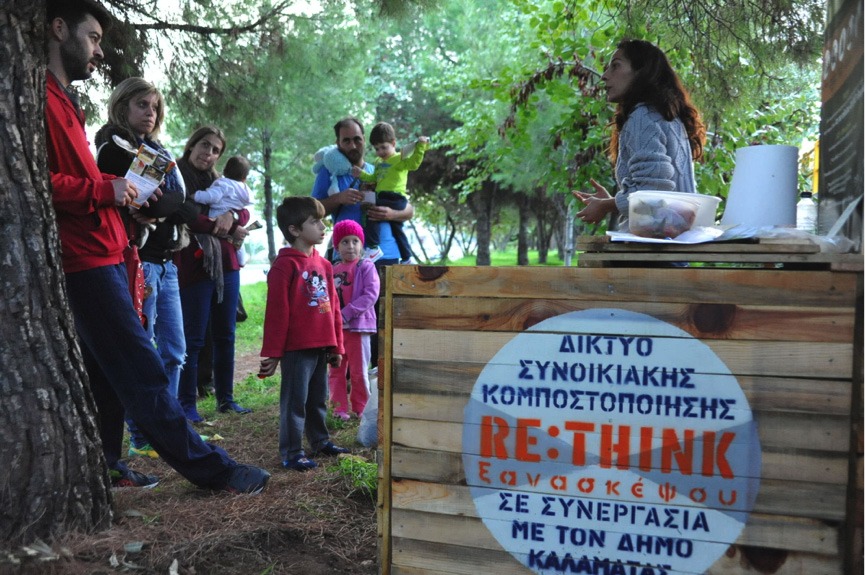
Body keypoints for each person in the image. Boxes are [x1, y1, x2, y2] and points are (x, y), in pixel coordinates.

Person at [45, 0, 269, 493]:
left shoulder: (65, 100)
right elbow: (34, 182)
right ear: (59, 29)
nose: (100, 52)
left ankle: (109, 465)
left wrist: (113, 197)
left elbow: (170, 201)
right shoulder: (39, 97)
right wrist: (104, 190)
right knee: (143, 368)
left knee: (106, 372)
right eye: (93, 38)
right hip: (85, 257)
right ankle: (214, 472)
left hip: (112, 252)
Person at [94, 77, 195, 459]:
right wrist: (164, 203)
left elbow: (181, 202)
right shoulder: (112, 147)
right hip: (139, 261)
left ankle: (168, 428)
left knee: (175, 352)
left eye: (154, 107)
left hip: (167, 263)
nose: (150, 113)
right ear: (122, 106)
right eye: (142, 105)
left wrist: (163, 204)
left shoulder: (157, 150)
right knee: (144, 351)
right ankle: (142, 434)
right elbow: (147, 202)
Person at [312, 117, 415, 367]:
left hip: (386, 254)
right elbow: (313, 209)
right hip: (346, 257)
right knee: (347, 316)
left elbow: (408, 208)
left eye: (357, 139)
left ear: (364, 140)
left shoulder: (379, 167)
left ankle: (380, 377)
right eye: (346, 140)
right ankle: (347, 377)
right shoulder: (330, 174)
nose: (352, 145)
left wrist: (391, 214)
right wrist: (339, 198)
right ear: (338, 143)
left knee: (384, 319)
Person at [572, 39, 705, 231]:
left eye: (615, 66)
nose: (604, 76)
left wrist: (606, 205)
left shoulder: (643, 117)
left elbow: (652, 194)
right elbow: (656, 192)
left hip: (657, 245)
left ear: (641, 72)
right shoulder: (665, 117)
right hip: (676, 242)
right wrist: (613, 202)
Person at [258, 197, 351, 471]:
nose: (323, 227)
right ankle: (292, 452)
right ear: (295, 230)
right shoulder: (284, 266)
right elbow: (276, 313)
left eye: (322, 221)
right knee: (294, 402)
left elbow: (334, 308)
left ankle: (320, 442)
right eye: (315, 222)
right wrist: (273, 353)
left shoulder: (324, 264)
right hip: (296, 348)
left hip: (322, 346)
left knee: (317, 399)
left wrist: (337, 346)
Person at [174, 127, 252, 420]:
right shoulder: (176, 176)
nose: (208, 153)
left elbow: (244, 209)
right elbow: (185, 213)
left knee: (225, 334)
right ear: (191, 145)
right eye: (204, 145)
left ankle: (226, 399)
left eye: (215, 150)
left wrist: (232, 215)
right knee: (193, 338)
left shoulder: (222, 181)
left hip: (227, 263)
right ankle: (186, 404)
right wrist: (220, 224)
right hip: (193, 263)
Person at [351, 122, 428, 263]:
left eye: (384, 147)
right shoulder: (378, 161)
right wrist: (360, 174)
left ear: (393, 144)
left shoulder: (399, 158)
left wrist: (421, 147)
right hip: (384, 196)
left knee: (370, 211)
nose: (381, 151)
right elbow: (374, 178)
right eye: (377, 148)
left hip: (395, 197)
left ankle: (373, 247)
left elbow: (414, 164)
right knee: (397, 229)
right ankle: (407, 257)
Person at [327, 220, 379, 419]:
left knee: (358, 371)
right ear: (336, 246)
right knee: (336, 370)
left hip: (358, 328)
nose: (350, 246)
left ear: (361, 244)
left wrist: (346, 313)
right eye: (345, 242)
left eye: (355, 241)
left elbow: (371, 294)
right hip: (337, 331)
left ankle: (361, 408)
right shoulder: (332, 269)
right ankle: (338, 409)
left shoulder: (365, 266)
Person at [193, 155, 254, 265]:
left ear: (225, 171)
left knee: (205, 238)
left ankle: (201, 250)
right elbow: (246, 210)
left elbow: (212, 196)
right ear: (244, 178)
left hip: (218, 215)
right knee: (238, 242)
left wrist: (195, 196)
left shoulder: (223, 184)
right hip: (235, 224)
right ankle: (241, 262)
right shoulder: (245, 190)